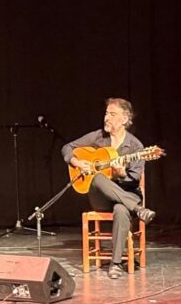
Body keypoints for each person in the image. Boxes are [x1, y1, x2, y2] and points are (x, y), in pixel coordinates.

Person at [62, 98, 156, 279]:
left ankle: (115, 263)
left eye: (112, 114)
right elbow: (68, 147)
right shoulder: (98, 137)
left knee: (121, 209)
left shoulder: (136, 147)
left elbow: (134, 178)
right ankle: (138, 209)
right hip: (101, 198)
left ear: (124, 119)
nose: (107, 117)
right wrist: (76, 162)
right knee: (97, 177)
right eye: (106, 113)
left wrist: (121, 174)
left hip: (126, 193)